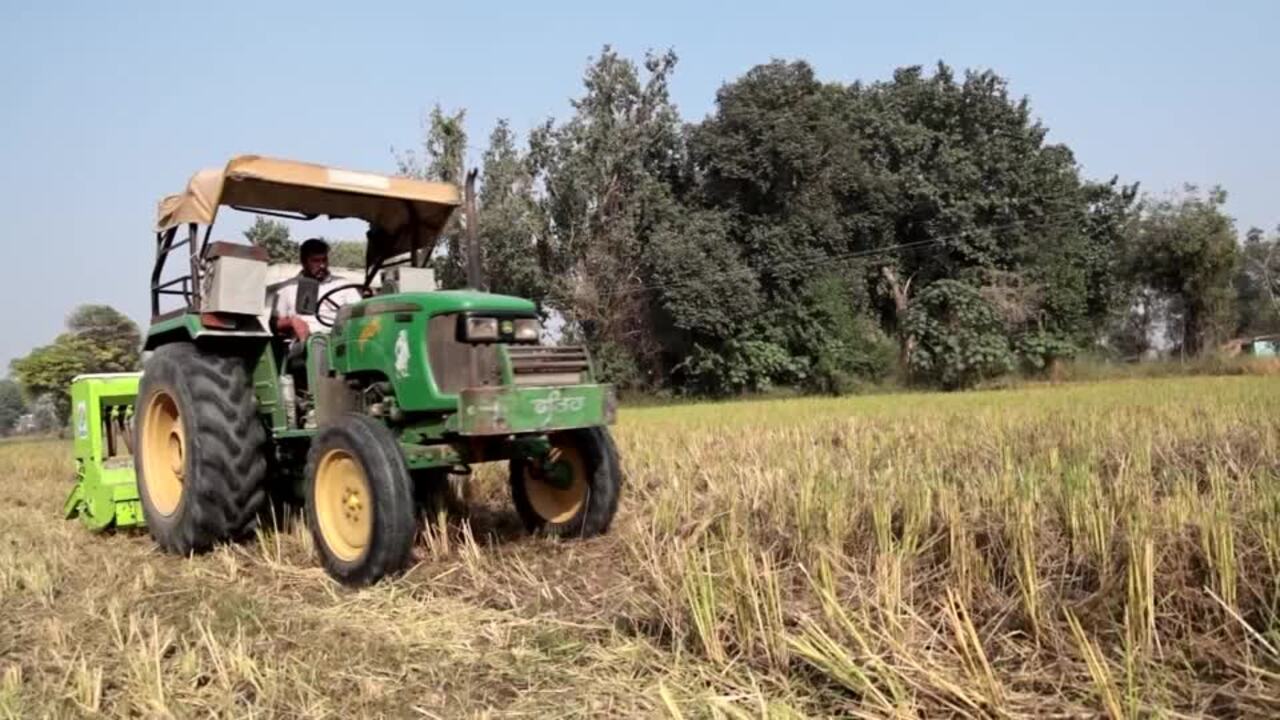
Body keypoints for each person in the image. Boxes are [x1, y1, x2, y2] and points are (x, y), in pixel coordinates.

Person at [270, 238, 363, 341]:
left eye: (324, 260)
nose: (322, 265)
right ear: (304, 262)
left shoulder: (344, 285)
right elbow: (276, 323)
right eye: (316, 261)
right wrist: (292, 322)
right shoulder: (288, 288)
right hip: (306, 339)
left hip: (340, 338)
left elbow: (360, 313)